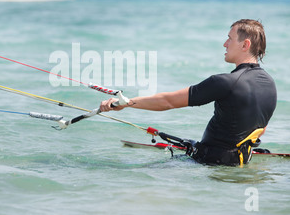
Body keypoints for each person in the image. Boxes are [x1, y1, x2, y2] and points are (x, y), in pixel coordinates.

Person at [100, 19, 277, 166]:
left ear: (245, 44)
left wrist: (125, 103)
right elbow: (259, 128)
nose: (225, 43)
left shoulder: (225, 82)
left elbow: (168, 102)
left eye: (230, 39)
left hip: (209, 163)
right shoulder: (270, 85)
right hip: (242, 159)